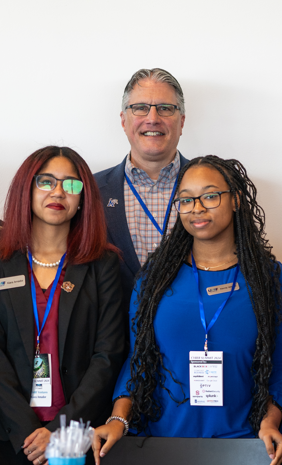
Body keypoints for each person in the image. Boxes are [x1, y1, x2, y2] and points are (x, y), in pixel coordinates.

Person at [92, 156, 282, 465]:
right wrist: (118, 418)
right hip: (160, 446)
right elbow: (138, 361)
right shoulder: (154, 279)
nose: (197, 208)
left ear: (236, 200)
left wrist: (270, 424)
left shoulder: (271, 280)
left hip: (245, 449)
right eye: (186, 200)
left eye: (210, 196)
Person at [0, 146, 125, 465]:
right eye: (46, 182)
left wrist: (60, 431)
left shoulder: (103, 265)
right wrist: (32, 436)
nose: (59, 192)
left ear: (83, 198)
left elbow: (108, 354)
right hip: (17, 439)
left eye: (71, 185)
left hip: (82, 438)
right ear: (26, 190)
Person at [94, 68, 188, 300]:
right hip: (117, 333)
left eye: (165, 108)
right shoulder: (91, 191)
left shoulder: (215, 190)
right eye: (140, 108)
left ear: (182, 121)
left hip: (195, 330)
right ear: (124, 120)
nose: (153, 118)